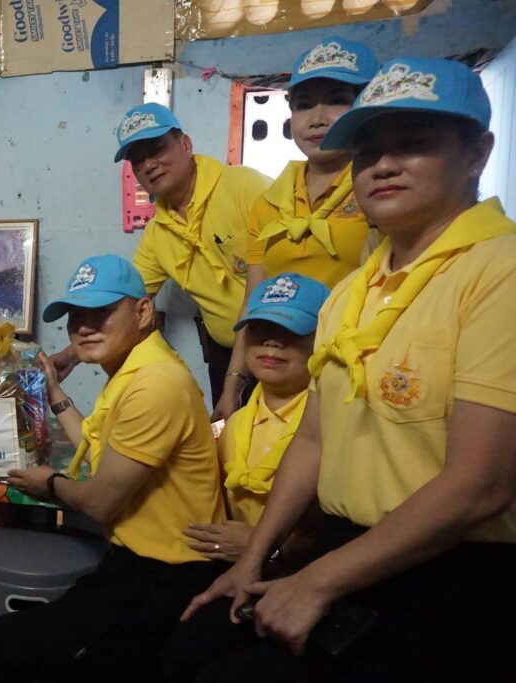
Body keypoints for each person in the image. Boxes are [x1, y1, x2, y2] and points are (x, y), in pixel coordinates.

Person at [177, 57, 516, 683]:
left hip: (450, 568)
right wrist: (255, 559)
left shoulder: (499, 271)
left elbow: (481, 485)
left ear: (477, 154)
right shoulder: (351, 293)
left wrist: (314, 584)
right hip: (343, 546)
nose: (383, 165)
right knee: (190, 644)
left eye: (414, 143)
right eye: (368, 151)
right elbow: (313, 438)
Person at [0, 254, 227, 683]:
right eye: (76, 316)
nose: (85, 327)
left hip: (171, 572)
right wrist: (53, 392)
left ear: (142, 312)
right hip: (134, 560)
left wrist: (50, 483)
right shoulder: (131, 371)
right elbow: (99, 448)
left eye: (101, 312)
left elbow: (101, 502)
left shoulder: (155, 383)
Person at [52, 104, 271, 410]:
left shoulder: (245, 187)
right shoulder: (158, 234)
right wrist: (71, 356)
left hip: (282, 346)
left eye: (156, 149)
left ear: (186, 145)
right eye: (137, 160)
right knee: (227, 435)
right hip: (226, 354)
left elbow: (273, 284)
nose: (149, 165)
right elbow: (125, 303)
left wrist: (233, 385)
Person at [213, 37, 379, 420]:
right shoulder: (269, 203)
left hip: (353, 378)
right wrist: (232, 386)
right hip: (279, 378)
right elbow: (253, 301)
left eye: (337, 100)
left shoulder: (381, 192)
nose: (317, 118)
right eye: (303, 104)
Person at [184, 273, 329, 564]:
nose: (271, 342)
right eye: (259, 328)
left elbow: (335, 529)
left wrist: (265, 548)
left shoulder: (331, 425)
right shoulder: (231, 424)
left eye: (290, 329)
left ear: (323, 338)